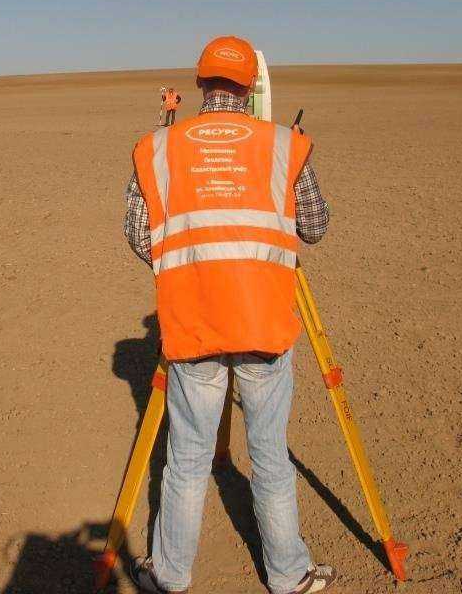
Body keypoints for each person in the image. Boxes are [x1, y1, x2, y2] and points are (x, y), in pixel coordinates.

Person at [122, 36, 335, 594]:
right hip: (265, 322)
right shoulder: (285, 144)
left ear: (200, 83)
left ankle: (169, 576)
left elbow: (139, 234)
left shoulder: (160, 146)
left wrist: (187, 260)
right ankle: (289, 577)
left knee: (186, 460)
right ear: (249, 86)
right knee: (269, 457)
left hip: (193, 321)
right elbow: (314, 225)